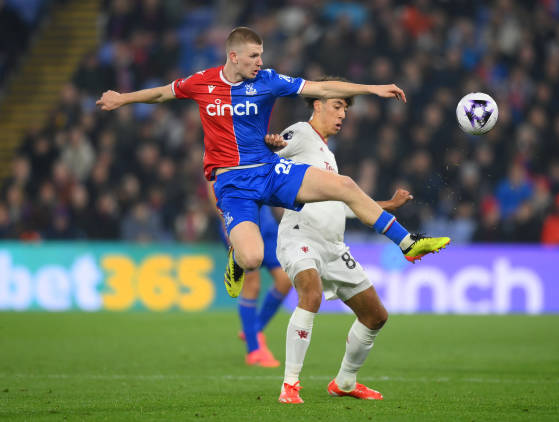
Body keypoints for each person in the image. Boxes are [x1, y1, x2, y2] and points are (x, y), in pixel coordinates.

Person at [96, 26, 450, 301]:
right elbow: (161, 93)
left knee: (344, 185)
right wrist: (122, 98)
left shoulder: (268, 82)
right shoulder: (202, 83)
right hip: (231, 184)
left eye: (261, 55)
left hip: (268, 171)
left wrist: (372, 89)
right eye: (253, 56)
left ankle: (408, 243)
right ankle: (236, 258)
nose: (259, 62)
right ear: (233, 56)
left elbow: (320, 89)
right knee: (253, 259)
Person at [264, 81, 411, 404]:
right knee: (311, 294)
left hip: (333, 246)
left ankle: (345, 381)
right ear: (317, 105)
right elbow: (268, 156)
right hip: (299, 235)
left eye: (345, 108)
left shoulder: (327, 154)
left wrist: (384, 205)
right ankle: (290, 384)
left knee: (376, 316)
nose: (342, 114)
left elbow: (344, 204)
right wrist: (273, 145)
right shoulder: (301, 133)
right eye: (337, 106)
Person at [207, 181, 292, 367]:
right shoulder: (223, 154)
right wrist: (226, 223)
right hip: (240, 221)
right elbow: (212, 186)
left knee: (285, 280)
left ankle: (253, 329)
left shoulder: (263, 152)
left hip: (266, 223)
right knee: (252, 283)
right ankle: (254, 350)